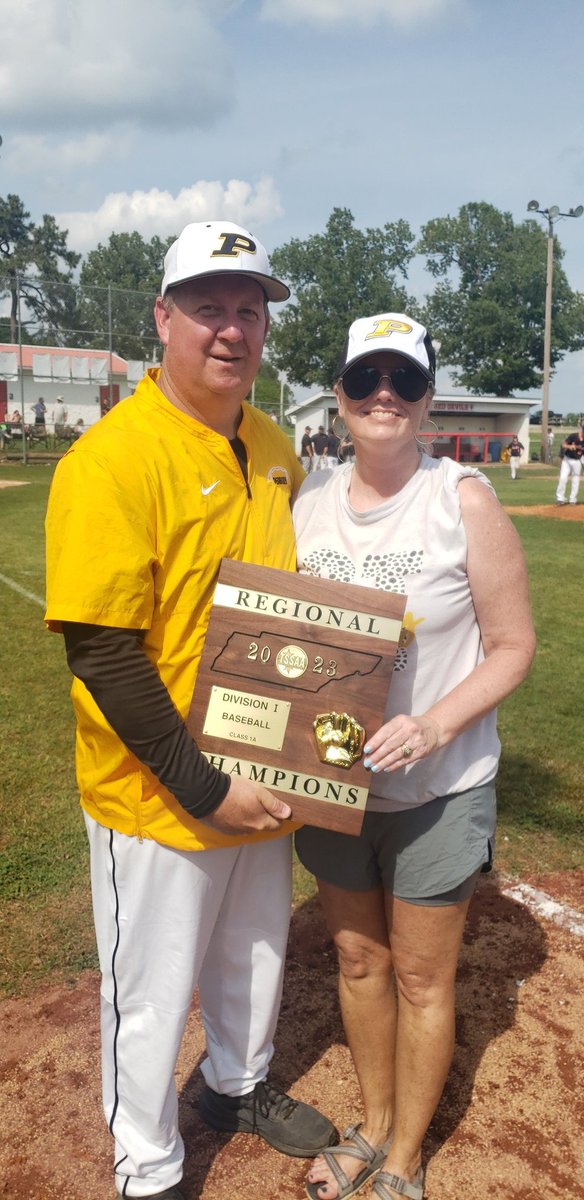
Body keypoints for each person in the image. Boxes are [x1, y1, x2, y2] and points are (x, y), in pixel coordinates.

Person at [45, 220, 337, 1200]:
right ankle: (148, 1164)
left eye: (247, 311)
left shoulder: (270, 440)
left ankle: (236, 1086)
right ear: (161, 319)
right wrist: (199, 783)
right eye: (206, 308)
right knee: (151, 990)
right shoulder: (113, 458)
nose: (230, 330)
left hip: (258, 759)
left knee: (254, 945)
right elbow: (102, 651)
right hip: (157, 786)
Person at [292, 312, 536, 1200]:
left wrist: (433, 724)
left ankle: (403, 1161)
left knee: (425, 978)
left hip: (439, 787)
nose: (384, 396)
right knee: (359, 962)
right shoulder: (307, 507)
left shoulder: (462, 498)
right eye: (365, 381)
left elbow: (512, 646)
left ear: (427, 396)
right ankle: (373, 1123)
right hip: (335, 788)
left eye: (403, 380)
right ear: (342, 396)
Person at [556, 420, 584, 505]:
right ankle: (560, 498)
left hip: (578, 461)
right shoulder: (573, 436)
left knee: (575, 479)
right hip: (567, 460)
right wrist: (569, 446)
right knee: (563, 478)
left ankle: (572, 499)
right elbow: (563, 444)